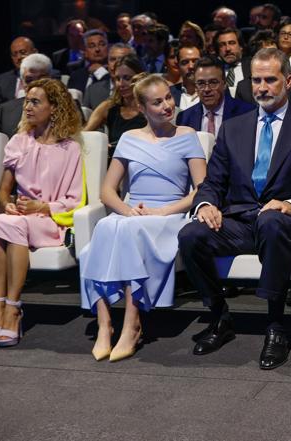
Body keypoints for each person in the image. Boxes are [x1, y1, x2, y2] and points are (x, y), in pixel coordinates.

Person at [177, 48, 291, 370]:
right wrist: (206, 204)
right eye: (256, 80)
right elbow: (213, 182)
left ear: (288, 81)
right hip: (239, 221)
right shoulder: (234, 128)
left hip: (279, 226)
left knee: (273, 223)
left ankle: (275, 326)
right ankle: (219, 315)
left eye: (270, 80)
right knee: (190, 234)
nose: (261, 87)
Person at [80, 74, 206, 362]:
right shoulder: (128, 138)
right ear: (141, 107)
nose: (166, 106)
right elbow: (107, 191)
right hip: (134, 213)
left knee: (127, 231)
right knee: (102, 230)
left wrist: (163, 210)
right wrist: (128, 211)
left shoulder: (187, 135)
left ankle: (131, 325)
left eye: (168, 98)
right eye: (157, 102)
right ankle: (104, 324)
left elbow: (201, 190)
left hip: (169, 216)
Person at [0, 78, 83, 347]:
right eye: (26, 101)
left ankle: (12, 308)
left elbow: (74, 201)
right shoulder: (19, 141)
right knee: (3, 221)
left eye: (35, 101)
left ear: (54, 107)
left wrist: (42, 206)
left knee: (10, 225)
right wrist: (7, 203)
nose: (28, 107)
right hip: (18, 218)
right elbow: (2, 191)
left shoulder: (71, 149)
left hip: (51, 222)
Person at [84, 55, 147, 156]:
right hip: (114, 162)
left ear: (140, 78)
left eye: (127, 78)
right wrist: (100, 145)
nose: (121, 84)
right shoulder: (108, 107)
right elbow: (84, 135)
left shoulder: (150, 107)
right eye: (117, 78)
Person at [176, 56, 255, 135]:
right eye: (201, 83)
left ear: (224, 84)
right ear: (195, 87)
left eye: (213, 82)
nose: (207, 89)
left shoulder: (247, 113)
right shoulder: (184, 118)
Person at [0, 54, 53, 138]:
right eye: (29, 80)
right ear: (22, 83)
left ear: (51, 79)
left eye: (41, 79)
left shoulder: (68, 107)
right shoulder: (5, 111)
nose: (35, 85)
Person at [84, 43, 134, 110]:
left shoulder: (141, 90)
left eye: (121, 60)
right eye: (112, 59)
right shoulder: (92, 91)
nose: (115, 64)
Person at [0, 37, 38, 105]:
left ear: (35, 52)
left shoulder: (48, 74)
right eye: (14, 54)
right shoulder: (2, 79)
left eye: (23, 52)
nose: (18, 57)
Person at [67, 29, 109, 95]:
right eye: (92, 46)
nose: (97, 49)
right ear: (85, 52)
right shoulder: (76, 76)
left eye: (102, 44)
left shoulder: (114, 73)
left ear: (108, 48)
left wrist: (101, 71)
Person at [170, 44, 202, 111]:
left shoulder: (214, 92)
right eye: (185, 62)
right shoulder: (169, 94)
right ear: (178, 66)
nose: (191, 66)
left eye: (195, 61)